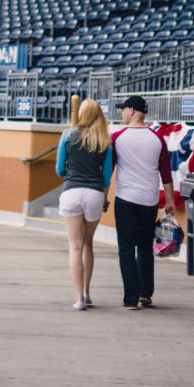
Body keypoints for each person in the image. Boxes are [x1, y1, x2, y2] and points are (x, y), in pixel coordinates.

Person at [111, 94, 176, 310]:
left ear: (131, 111)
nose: (121, 113)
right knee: (145, 247)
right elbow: (166, 173)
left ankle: (130, 299)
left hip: (126, 199)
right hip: (149, 201)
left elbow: (108, 170)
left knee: (126, 248)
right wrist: (169, 201)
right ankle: (145, 293)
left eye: (123, 110)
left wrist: (102, 197)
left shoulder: (118, 137)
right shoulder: (157, 138)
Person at [55, 98, 113, 310]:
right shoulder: (105, 141)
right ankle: (87, 292)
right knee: (88, 244)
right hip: (94, 193)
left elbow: (60, 170)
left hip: (71, 191)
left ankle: (78, 298)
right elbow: (106, 176)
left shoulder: (67, 135)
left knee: (75, 247)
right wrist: (105, 198)